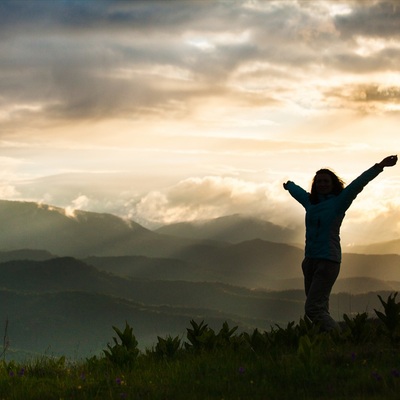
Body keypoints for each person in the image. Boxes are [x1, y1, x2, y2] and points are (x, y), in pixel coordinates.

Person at [283, 155, 398, 331]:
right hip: (310, 261)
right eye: (319, 181)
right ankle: (327, 342)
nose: (322, 184)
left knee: (312, 308)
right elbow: (298, 193)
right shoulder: (310, 203)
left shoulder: (339, 202)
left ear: (333, 183)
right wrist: (289, 185)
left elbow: (358, 184)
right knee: (319, 307)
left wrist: (380, 166)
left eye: (325, 181)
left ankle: (339, 337)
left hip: (328, 260)